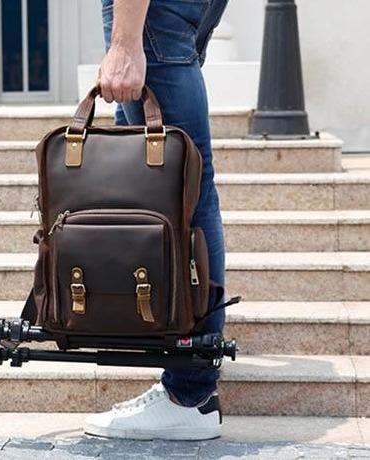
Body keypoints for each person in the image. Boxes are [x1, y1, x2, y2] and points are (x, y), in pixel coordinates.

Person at [84, 0, 229, 441]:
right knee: (172, 184)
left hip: (152, 12)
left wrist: (125, 43)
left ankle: (190, 393)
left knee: (183, 185)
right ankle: (185, 382)